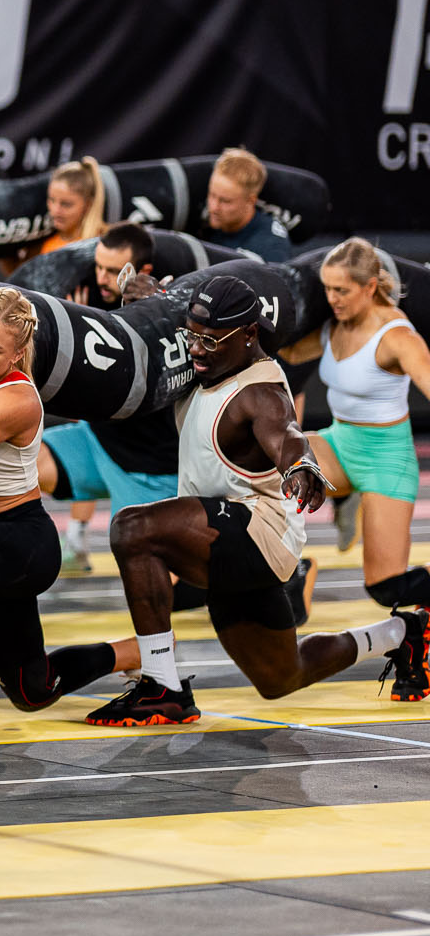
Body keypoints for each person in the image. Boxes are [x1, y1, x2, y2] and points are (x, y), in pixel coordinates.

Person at [84, 274, 426, 725]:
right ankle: (401, 631)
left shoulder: (259, 392)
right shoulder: (211, 350)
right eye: (191, 336)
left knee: (133, 528)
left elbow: (286, 433)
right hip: (223, 533)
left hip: (256, 536)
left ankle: (162, 685)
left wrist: (301, 466)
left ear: (249, 334)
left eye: (211, 341)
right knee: (282, 677)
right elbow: (179, 314)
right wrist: (151, 300)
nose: (196, 349)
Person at [0, 289, 132, 708]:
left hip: (18, 545)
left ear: (16, 355)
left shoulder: (16, 399)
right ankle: (133, 652)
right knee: (33, 691)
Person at [280, 240, 430, 634]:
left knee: (386, 588)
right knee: (268, 465)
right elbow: (290, 354)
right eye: (328, 289)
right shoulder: (334, 325)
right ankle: (295, 570)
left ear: (370, 286)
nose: (332, 299)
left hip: (386, 460)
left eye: (341, 290)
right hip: (339, 444)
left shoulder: (397, 336)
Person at [41, 221, 179, 573]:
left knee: (154, 584)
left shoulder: (166, 318)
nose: (101, 277)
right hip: (97, 443)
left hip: (146, 468)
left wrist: (75, 341)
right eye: (98, 266)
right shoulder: (86, 293)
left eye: (112, 271)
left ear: (142, 271)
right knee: (11, 462)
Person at [196, 147, 292, 262]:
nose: (213, 207)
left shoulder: (270, 248)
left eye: (225, 201)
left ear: (250, 201)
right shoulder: (199, 211)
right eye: (212, 194)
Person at [26, 157, 105, 259]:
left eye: (66, 204)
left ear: (88, 204)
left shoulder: (102, 243)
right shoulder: (40, 240)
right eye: (51, 200)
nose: (55, 210)